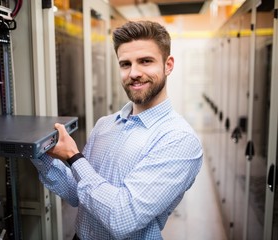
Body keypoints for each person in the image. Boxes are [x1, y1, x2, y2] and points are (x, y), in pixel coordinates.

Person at [31, 20, 203, 240]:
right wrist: (39, 150)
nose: (134, 73)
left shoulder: (179, 140)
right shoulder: (106, 125)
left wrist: (74, 157)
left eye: (145, 61)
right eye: (125, 64)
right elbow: (78, 192)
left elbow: (123, 217)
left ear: (168, 65)